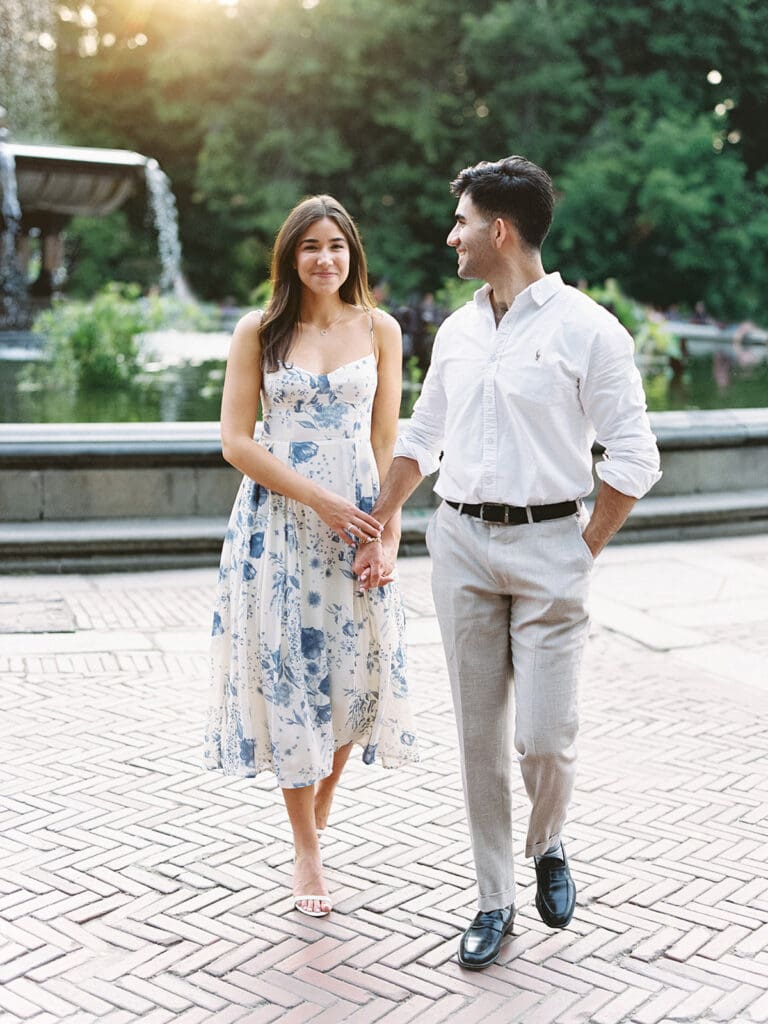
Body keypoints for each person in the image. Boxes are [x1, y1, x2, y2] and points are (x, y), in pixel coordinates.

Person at [353, 156, 661, 968]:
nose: (449, 235)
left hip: (550, 546)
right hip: (459, 544)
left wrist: (581, 546)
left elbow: (634, 456)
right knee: (479, 740)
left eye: (460, 222)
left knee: (545, 742)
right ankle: (494, 901)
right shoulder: (457, 329)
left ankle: (548, 840)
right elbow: (422, 436)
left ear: (499, 230)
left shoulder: (589, 330)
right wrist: (381, 515)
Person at [205, 195, 418, 918]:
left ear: (352, 253)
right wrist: (319, 501)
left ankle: (317, 818)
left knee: (351, 687)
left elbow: (388, 443)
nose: (325, 258)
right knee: (290, 678)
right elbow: (236, 442)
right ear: (289, 257)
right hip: (280, 529)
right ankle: (306, 849)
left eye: (337, 245)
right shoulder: (258, 332)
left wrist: (386, 533)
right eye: (310, 247)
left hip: (359, 523)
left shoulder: (381, 329)